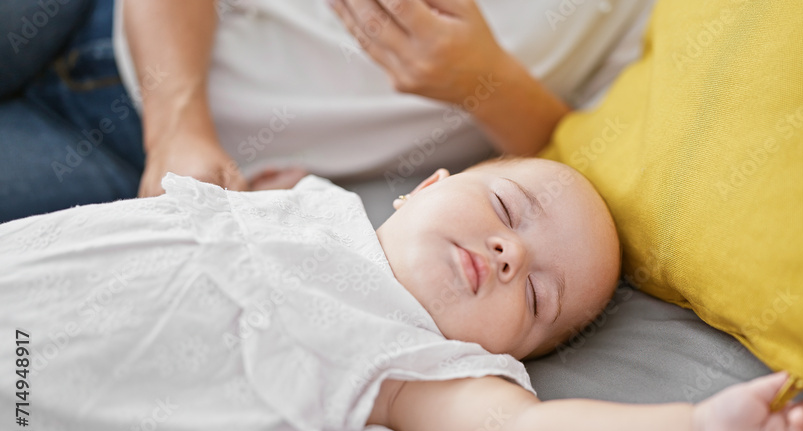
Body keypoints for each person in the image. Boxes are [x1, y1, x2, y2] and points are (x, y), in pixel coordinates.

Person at [0, 156, 803, 431]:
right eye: (508, 209)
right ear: (426, 186)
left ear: (506, 355)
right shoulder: (307, 200)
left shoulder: (414, 366)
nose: (509, 253)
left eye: (536, 297)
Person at [0, 0, 655, 221]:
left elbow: (570, 173)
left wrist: (481, 79)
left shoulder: (655, 26)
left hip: (171, 178)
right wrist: (180, 122)